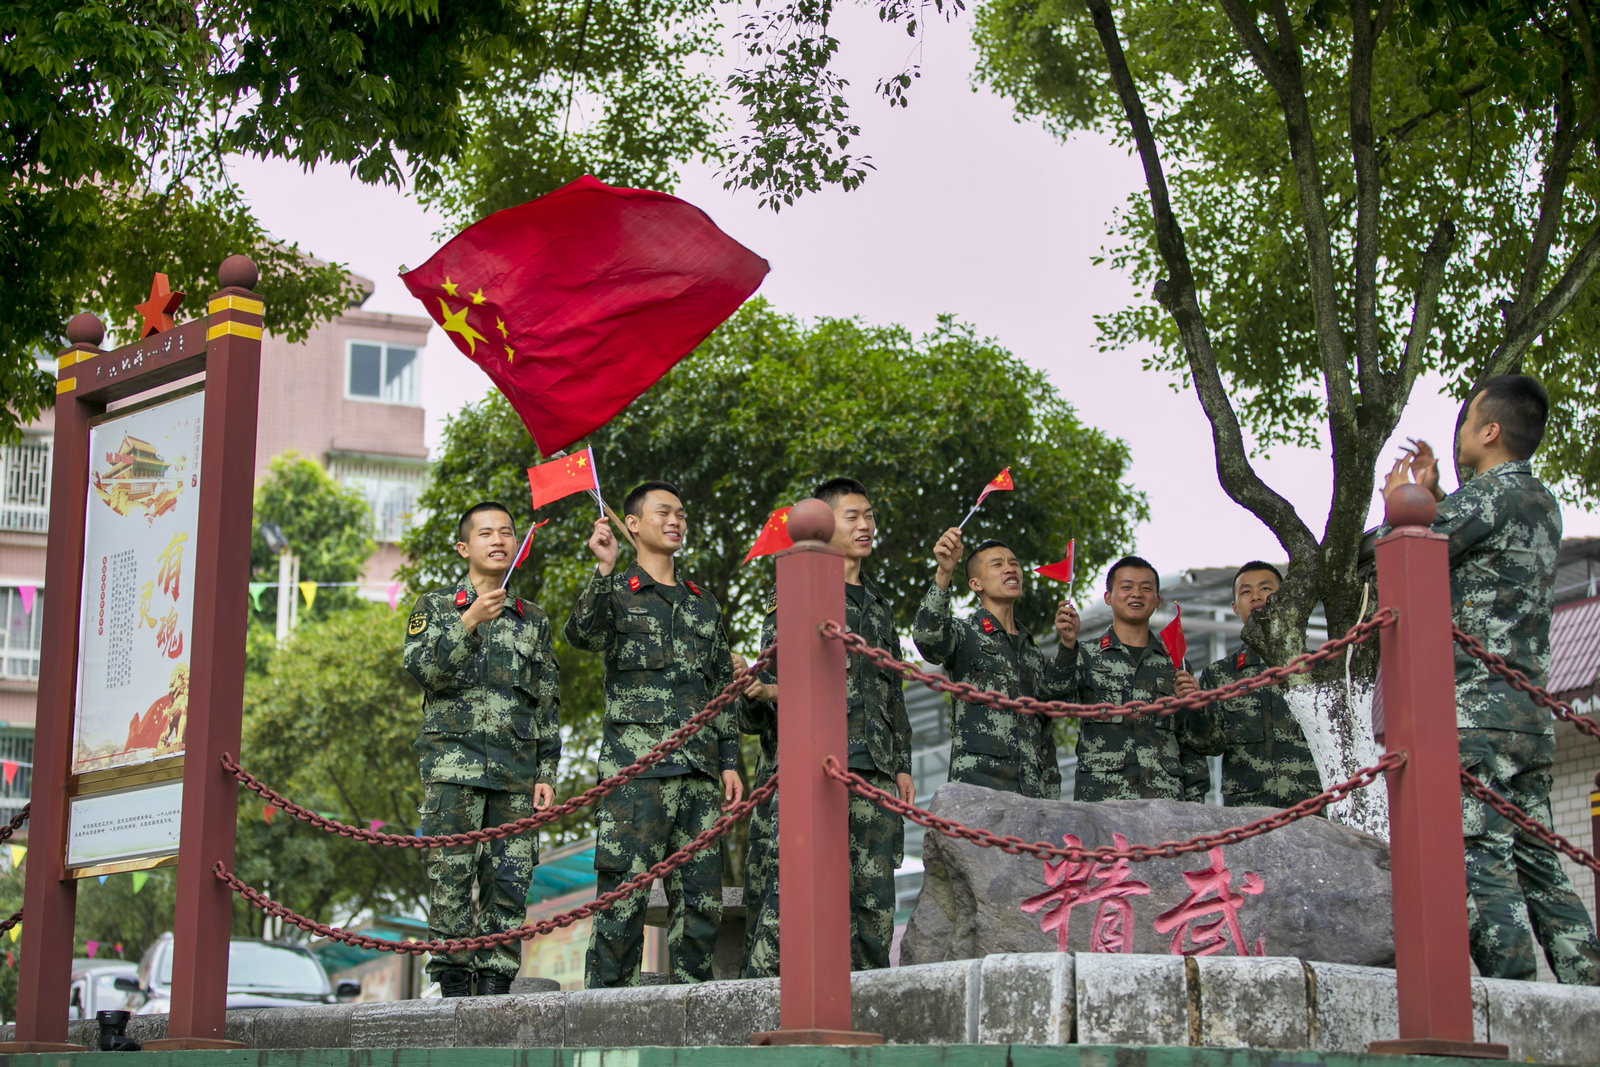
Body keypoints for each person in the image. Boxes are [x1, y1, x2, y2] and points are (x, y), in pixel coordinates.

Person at [1384, 374, 1599, 984]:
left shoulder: (1486, 499)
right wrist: (1440, 495)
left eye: (1466, 420)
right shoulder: (1541, 501)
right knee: (1540, 862)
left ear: (1490, 430)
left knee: (1480, 855)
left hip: (1476, 710)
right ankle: (1586, 993)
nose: (1457, 434)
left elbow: (1398, 547)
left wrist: (1403, 501)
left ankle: (1514, 998)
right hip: (1529, 711)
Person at [564, 481, 744, 988]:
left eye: (682, 514)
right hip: (636, 773)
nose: (676, 521)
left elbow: (720, 688)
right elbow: (583, 634)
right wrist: (603, 568)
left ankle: (691, 1011)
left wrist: (729, 760)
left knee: (702, 904)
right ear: (634, 523)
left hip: (700, 772)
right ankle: (604, 1017)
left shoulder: (702, 603)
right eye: (664, 512)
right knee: (624, 903)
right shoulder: (616, 593)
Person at [740, 477, 914, 978]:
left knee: (873, 910)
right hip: (808, 777)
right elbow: (769, 696)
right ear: (822, 524)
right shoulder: (796, 595)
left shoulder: (879, 610)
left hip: (873, 774)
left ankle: (867, 1010)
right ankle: (760, 1016)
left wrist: (900, 765)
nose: (865, 526)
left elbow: (892, 692)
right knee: (788, 908)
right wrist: (756, 688)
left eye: (869, 516)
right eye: (851, 516)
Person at [403, 501, 561, 997]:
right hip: (453, 769)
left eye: (506, 533)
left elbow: (547, 701)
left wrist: (547, 772)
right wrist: (468, 620)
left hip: (516, 773)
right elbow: (422, 670)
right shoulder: (434, 608)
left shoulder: (532, 619)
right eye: (486, 533)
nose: (498, 540)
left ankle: (496, 982)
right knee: (451, 878)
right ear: (463, 547)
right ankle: (452, 982)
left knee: (511, 881)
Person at [912, 529, 1076, 798]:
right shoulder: (965, 634)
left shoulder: (1031, 651)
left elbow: (1051, 713)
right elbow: (928, 639)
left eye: (1013, 563)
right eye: (997, 565)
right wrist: (944, 573)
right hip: (979, 786)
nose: (1010, 569)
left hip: (1032, 793)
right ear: (976, 584)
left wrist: (1068, 645)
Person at [1054, 555, 1199, 801]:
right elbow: (1053, 696)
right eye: (1127, 587)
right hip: (1101, 798)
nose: (1137, 594)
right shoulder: (1084, 655)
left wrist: (1196, 803)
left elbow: (1192, 744)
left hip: (1165, 802)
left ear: (1156, 600)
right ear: (1108, 598)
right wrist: (1067, 646)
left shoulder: (1177, 665)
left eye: (1146, 588)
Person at [1184, 562, 1322, 808]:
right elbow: (1207, 743)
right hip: (1249, 812)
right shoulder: (1219, 675)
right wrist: (1195, 707)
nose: (1256, 597)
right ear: (1235, 607)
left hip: (1312, 807)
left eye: (1266, 588)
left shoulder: (1316, 667)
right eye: (1246, 592)